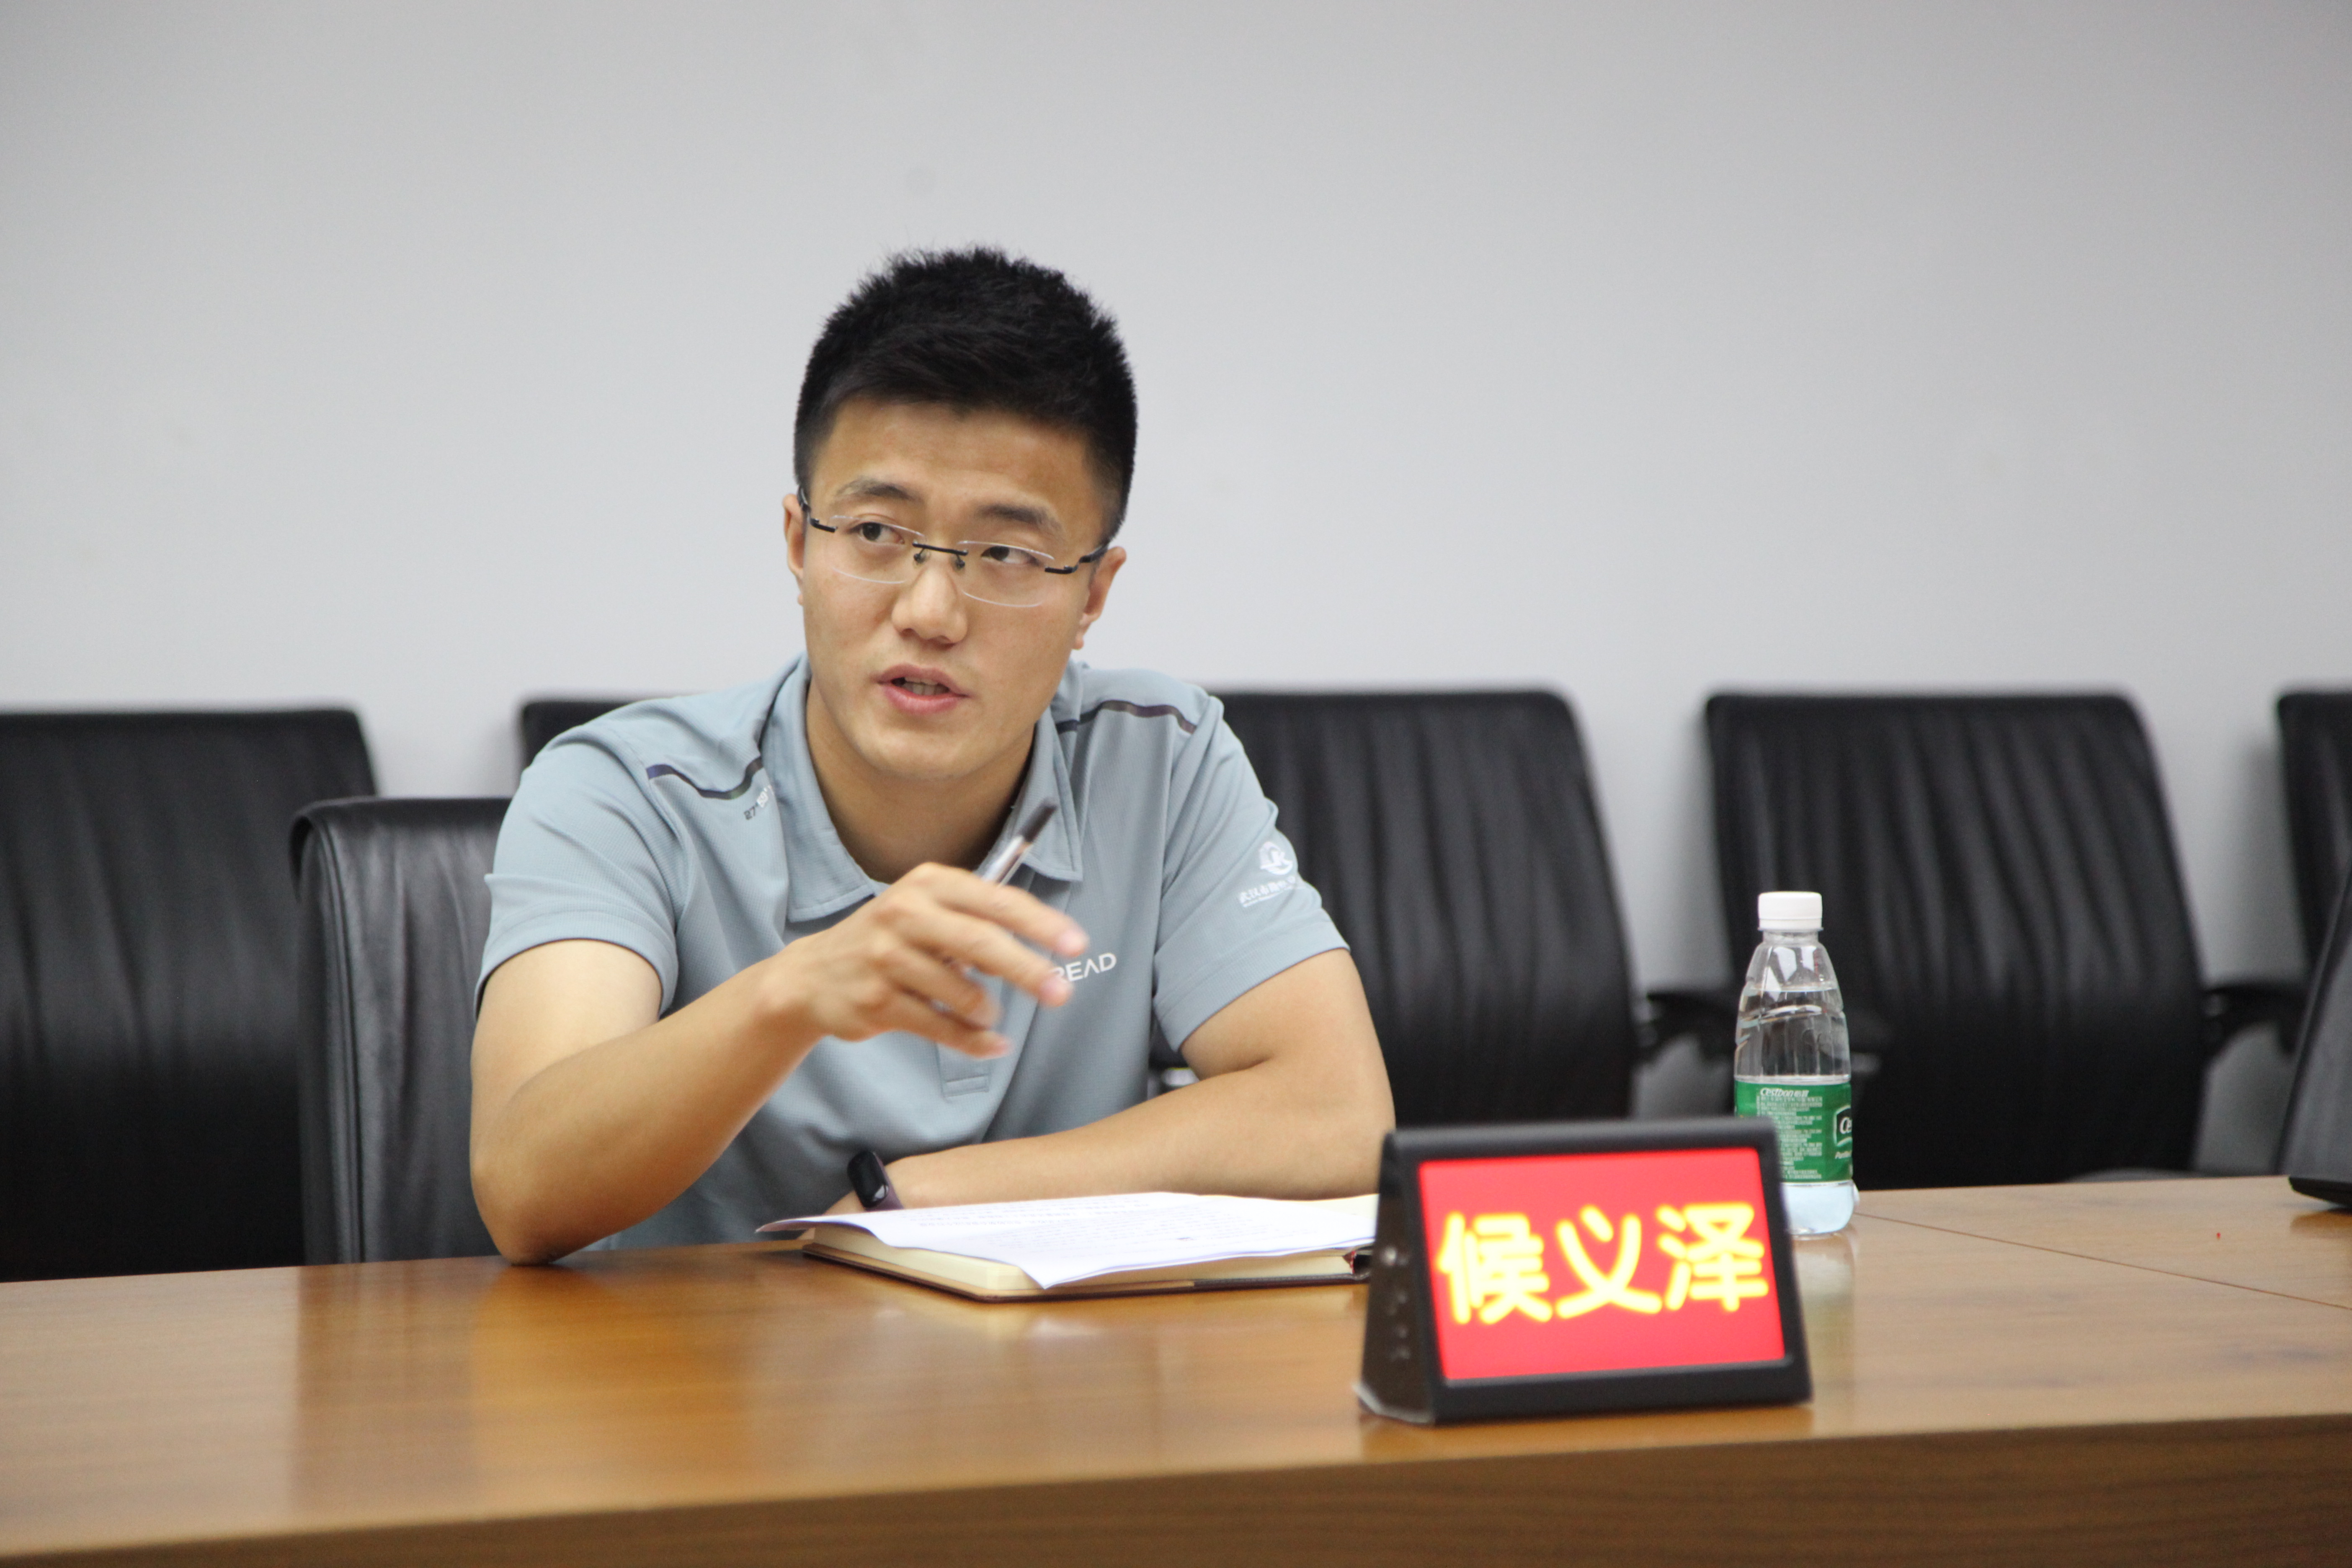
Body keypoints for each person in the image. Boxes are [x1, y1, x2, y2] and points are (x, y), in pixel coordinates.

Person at [470, 248, 1394, 1264]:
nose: (930, 611)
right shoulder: (625, 791)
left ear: (1094, 594)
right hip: (701, 1362)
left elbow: (1340, 1115)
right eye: (876, 531)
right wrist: (792, 995)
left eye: (1007, 555)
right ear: (799, 544)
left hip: (1054, 1365)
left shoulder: (1160, 759)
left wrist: (920, 1199)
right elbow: (524, 1185)